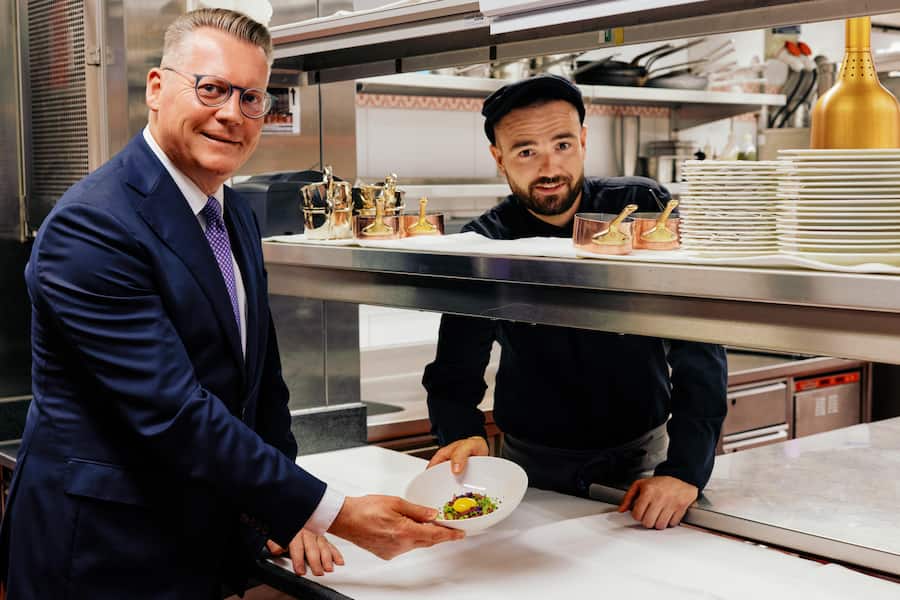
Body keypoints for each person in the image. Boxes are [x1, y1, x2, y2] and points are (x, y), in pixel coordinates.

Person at [0, 8, 461, 599]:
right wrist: (328, 511)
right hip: (102, 550)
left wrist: (283, 509)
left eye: (252, 99)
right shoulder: (93, 226)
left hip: (197, 539)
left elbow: (259, 379)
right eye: (212, 88)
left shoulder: (232, 212)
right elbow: (172, 412)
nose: (231, 114)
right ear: (157, 89)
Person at [423, 75, 728, 530]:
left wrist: (685, 469)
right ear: (498, 158)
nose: (549, 166)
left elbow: (700, 347)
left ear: (584, 141)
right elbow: (454, 372)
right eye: (526, 151)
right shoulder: (486, 241)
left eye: (563, 144)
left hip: (647, 459)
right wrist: (463, 434)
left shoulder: (644, 208)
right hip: (531, 464)